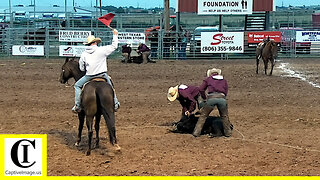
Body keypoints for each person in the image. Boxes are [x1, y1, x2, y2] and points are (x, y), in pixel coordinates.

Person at [72, 30, 120, 113]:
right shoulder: (102, 50)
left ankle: (77, 105)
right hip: (102, 75)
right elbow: (114, 46)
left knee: (77, 85)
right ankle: (115, 103)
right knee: (110, 85)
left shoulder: (84, 54)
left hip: (89, 76)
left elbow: (81, 68)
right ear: (94, 43)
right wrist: (115, 35)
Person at [194, 68, 232, 137]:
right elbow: (226, 90)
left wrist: (204, 98)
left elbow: (201, 89)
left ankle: (196, 132)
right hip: (222, 98)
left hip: (211, 98)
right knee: (224, 116)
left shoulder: (208, 79)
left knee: (203, 115)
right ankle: (228, 133)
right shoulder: (224, 80)